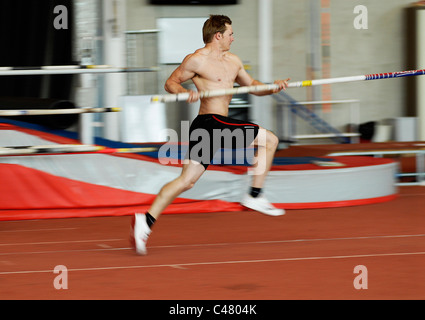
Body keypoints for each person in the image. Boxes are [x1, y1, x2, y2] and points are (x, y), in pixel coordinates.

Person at [130, 15, 290, 255]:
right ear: (218, 36)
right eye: (230, 34)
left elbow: (254, 86)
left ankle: (146, 220)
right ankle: (255, 195)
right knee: (271, 140)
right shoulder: (196, 60)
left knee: (187, 181)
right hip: (208, 122)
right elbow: (170, 83)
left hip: (216, 125)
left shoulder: (233, 61)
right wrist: (184, 91)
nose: (233, 38)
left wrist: (273, 87)